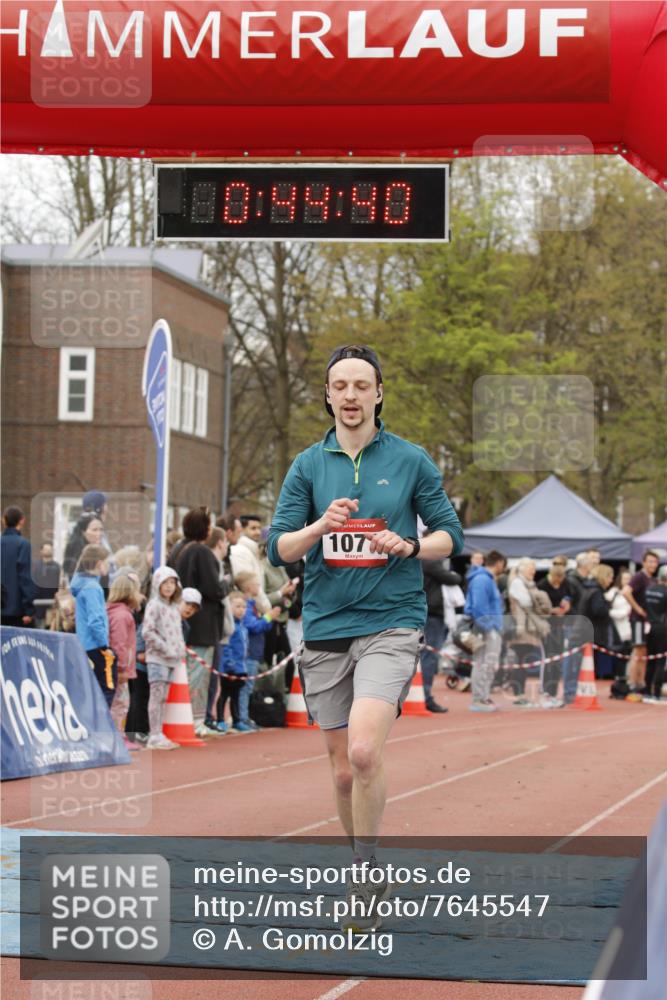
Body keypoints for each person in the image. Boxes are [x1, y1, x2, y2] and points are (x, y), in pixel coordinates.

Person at [267, 343, 464, 929]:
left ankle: (363, 872)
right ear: (327, 395)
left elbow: (450, 534)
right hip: (326, 624)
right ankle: (365, 865)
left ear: (378, 393)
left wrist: (410, 546)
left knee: (362, 749)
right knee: (342, 770)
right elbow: (279, 547)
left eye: (361, 385)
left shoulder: (409, 459)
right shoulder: (308, 465)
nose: (350, 396)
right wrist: (320, 526)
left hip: (392, 621)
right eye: (340, 386)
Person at [170, 507, 226, 731]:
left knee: (184, 673)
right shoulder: (201, 552)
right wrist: (226, 584)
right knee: (199, 676)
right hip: (202, 624)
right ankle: (196, 720)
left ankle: (182, 718)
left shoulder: (177, 549)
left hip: (181, 620)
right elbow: (214, 588)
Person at [142, 566, 185, 750]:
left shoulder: (174, 608)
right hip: (157, 658)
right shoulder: (154, 605)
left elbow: (178, 632)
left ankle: (159, 732)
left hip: (172, 660)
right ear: (157, 584)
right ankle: (154, 734)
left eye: (172, 583)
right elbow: (147, 631)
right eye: (165, 583)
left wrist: (180, 648)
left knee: (163, 697)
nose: (169, 587)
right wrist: (166, 648)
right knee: (156, 695)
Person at [235, 571, 281, 732]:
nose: (259, 587)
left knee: (248, 686)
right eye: (257, 584)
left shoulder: (253, 604)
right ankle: (242, 717)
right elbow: (253, 626)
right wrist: (268, 617)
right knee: (245, 687)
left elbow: (263, 626)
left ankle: (244, 717)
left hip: (255, 651)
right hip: (248, 652)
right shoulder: (245, 605)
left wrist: (268, 618)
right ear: (248, 587)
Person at [71, 544, 117, 707]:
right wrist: (104, 644)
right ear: (99, 563)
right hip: (97, 646)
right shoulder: (93, 588)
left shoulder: (83, 585)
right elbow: (95, 619)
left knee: (89, 690)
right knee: (106, 689)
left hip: (85, 645)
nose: (109, 566)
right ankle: (100, 729)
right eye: (107, 563)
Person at [464, 550, 506, 712]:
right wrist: (490, 629)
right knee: (483, 663)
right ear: (499, 563)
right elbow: (479, 608)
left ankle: (483, 697)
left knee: (488, 664)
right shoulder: (482, 579)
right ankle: (478, 699)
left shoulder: (486, 579)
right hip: (486, 629)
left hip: (490, 628)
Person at [507, 558, 553, 706]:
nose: (533, 571)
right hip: (521, 629)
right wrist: (538, 598)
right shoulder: (517, 583)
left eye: (534, 568)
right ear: (522, 569)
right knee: (521, 661)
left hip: (529, 629)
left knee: (524, 661)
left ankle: (520, 693)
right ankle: (518, 694)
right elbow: (526, 602)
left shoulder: (530, 585)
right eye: (530, 568)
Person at [420, 556, 462, 711]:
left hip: (429, 612)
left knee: (426, 656)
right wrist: (455, 575)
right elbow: (453, 578)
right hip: (432, 614)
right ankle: (425, 696)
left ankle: (423, 695)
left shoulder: (423, 560)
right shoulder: (430, 560)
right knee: (429, 656)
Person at [107, 575, 142, 750]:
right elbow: (119, 644)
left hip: (118, 667)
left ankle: (117, 735)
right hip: (120, 668)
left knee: (119, 702)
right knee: (120, 703)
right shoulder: (122, 616)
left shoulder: (118, 613)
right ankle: (116, 737)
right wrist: (121, 667)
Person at [623, 550, 660, 695]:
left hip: (648, 621)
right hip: (638, 620)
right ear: (644, 562)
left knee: (644, 652)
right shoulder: (639, 577)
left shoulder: (652, 579)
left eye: (655, 562)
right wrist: (638, 609)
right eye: (650, 561)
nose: (653, 564)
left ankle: (641, 682)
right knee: (638, 651)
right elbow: (626, 591)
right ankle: (632, 682)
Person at [213, 591, 249, 733]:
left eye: (243, 606)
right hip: (229, 668)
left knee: (236, 695)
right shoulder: (230, 627)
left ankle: (237, 720)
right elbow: (227, 647)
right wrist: (230, 666)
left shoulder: (243, 627)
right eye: (237, 606)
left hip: (241, 668)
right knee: (224, 694)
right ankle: (220, 720)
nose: (241, 610)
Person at [537, 556, 573, 696]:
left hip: (560, 624)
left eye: (560, 581)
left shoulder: (565, 583)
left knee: (558, 656)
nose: (558, 583)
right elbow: (538, 606)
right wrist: (552, 611)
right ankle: (545, 687)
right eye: (555, 580)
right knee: (548, 656)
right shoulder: (542, 585)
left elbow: (569, 595)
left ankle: (553, 689)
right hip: (547, 624)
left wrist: (567, 604)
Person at [1, 506, 36, 627]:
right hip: (16, 611)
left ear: (3, 521)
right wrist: (29, 610)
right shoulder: (22, 544)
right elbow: (25, 577)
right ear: (22, 520)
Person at [230, 514, 272, 612]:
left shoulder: (254, 551)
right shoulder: (239, 552)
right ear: (242, 530)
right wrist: (267, 608)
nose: (257, 532)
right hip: (246, 610)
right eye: (253, 528)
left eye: (259, 528)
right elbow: (249, 586)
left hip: (254, 610)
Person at [587, 564, 616, 678]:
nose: (611, 580)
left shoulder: (590, 588)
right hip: (595, 631)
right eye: (610, 577)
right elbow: (598, 610)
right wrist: (608, 605)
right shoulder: (596, 591)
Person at [644, 565, 667, 703]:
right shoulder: (666, 592)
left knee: (650, 659)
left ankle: (647, 691)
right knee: (660, 660)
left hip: (649, 627)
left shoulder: (649, 589)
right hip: (662, 629)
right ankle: (656, 693)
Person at [606, 569, 633, 676]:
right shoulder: (613, 592)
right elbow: (605, 609)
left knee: (629, 655)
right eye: (625, 579)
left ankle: (627, 678)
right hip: (616, 629)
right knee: (619, 655)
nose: (627, 581)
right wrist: (622, 613)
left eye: (629, 579)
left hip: (630, 629)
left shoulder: (634, 592)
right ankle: (618, 677)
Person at [63, 513, 104, 581]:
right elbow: (73, 577)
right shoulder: (77, 551)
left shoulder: (99, 550)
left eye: (101, 529)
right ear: (83, 532)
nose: (99, 533)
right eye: (95, 530)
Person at [31, 542, 62, 627]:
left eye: (49, 549)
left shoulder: (57, 567)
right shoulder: (35, 565)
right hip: (37, 602)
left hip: (51, 601)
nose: (48, 551)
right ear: (41, 551)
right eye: (46, 549)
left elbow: (59, 583)